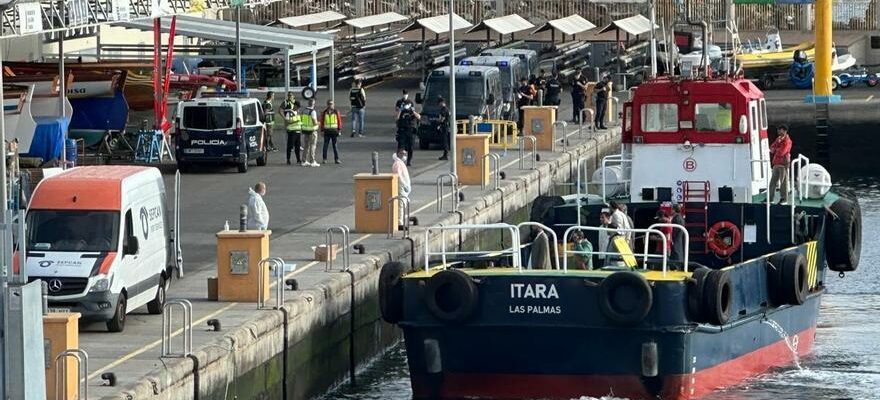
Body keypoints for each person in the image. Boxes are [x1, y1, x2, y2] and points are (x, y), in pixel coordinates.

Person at [769, 124, 792, 204]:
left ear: (784, 131)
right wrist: (776, 149)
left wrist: (775, 149)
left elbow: (782, 152)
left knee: (783, 183)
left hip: (783, 164)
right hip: (776, 163)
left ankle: (784, 199)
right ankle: (770, 198)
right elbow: (771, 147)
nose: (778, 131)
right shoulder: (778, 139)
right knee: (773, 182)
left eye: (780, 129)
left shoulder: (787, 141)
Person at [396, 100, 420, 166]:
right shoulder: (402, 112)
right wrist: (400, 111)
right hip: (403, 131)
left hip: (410, 131)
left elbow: (419, 117)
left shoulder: (412, 112)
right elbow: (397, 119)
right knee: (401, 146)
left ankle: (409, 161)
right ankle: (400, 160)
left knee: (410, 147)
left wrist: (413, 111)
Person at [391, 149, 411, 227]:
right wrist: (404, 185)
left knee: (402, 204)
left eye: (405, 153)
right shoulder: (398, 164)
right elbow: (398, 176)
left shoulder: (400, 163)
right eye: (402, 153)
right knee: (401, 204)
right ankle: (400, 223)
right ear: (398, 154)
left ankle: (401, 221)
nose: (404, 155)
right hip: (400, 187)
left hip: (403, 187)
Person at [320, 99, 343, 164]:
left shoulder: (336, 112)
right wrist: (322, 130)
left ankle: (337, 159)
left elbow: (339, 121)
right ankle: (324, 159)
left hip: (334, 131)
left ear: (333, 105)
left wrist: (339, 130)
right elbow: (322, 122)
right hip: (326, 131)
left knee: (335, 146)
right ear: (327, 105)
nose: (330, 105)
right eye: (329, 104)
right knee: (325, 145)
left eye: (331, 104)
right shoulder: (324, 112)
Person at [300, 99, 320, 167]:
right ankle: (312, 161)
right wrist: (319, 123)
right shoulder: (313, 111)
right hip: (312, 130)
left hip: (305, 130)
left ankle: (304, 160)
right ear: (313, 104)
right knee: (313, 146)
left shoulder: (304, 110)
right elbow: (314, 122)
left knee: (306, 146)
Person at [283, 100, 302, 165]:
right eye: (298, 107)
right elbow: (287, 121)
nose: (298, 108)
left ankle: (298, 159)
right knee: (290, 146)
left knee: (297, 146)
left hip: (298, 132)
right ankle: (288, 159)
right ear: (295, 106)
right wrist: (295, 122)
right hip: (292, 131)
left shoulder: (298, 113)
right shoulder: (289, 113)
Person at [437, 96, 451, 160]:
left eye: (439, 103)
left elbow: (442, 118)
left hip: (444, 126)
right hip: (446, 126)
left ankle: (445, 155)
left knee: (445, 141)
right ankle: (445, 154)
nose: (439, 104)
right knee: (445, 141)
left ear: (442, 102)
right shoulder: (447, 109)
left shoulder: (443, 109)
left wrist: (438, 123)